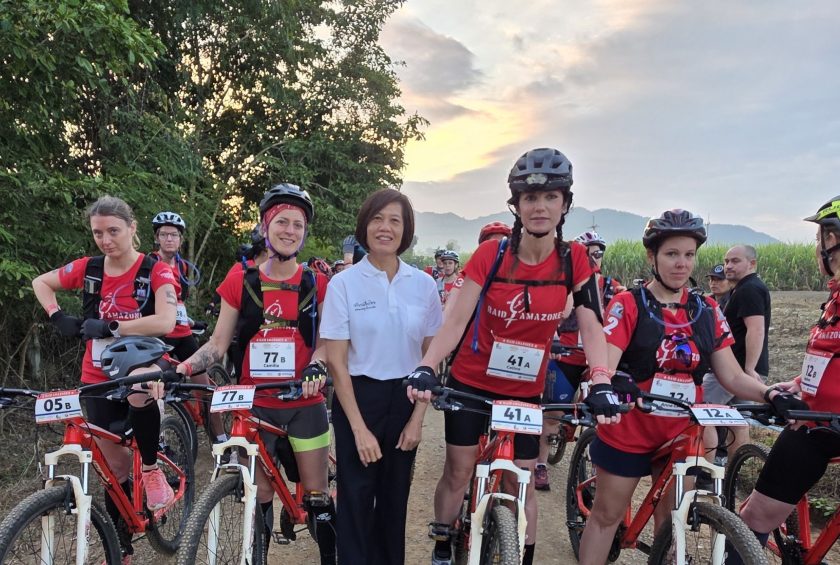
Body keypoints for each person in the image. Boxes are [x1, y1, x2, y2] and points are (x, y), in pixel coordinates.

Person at [407, 147, 615, 565]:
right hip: (471, 381)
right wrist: (427, 367)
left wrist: (601, 379)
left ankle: (522, 554)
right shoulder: (493, 254)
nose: (540, 207)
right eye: (530, 197)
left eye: (551, 197)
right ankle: (444, 539)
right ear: (517, 205)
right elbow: (456, 320)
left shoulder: (574, 260)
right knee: (459, 469)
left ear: (565, 204)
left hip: (524, 391)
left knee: (522, 478)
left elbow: (592, 325)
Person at [576, 209, 790, 565]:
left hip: (681, 432)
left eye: (689, 254)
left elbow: (732, 376)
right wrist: (609, 382)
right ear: (652, 257)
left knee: (671, 524)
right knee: (606, 518)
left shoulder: (706, 309)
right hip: (631, 428)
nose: (681, 263)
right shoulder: (628, 304)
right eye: (672, 254)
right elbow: (605, 365)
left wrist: (769, 394)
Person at [176, 183, 336, 564]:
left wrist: (317, 365)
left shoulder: (318, 283)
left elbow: (327, 344)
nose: (289, 231)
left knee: (317, 498)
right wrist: (181, 367)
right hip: (255, 406)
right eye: (282, 222)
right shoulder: (241, 281)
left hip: (304, 403)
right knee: (258, 495)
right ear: (265, 226)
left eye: (298, 225)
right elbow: (217, 344)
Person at [31, 195, 180, 563]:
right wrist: (57, 316)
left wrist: (113, 326)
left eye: (113, 231)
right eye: (98, 233)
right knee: (114, 469)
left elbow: (166, 321)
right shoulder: (90, 268)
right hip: (97, 372)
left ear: (132, 228)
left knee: (140, 387)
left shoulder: (156, 270)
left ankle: (151, 469)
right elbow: (41, 282)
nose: (105, 240)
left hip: (143, 361)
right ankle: (121, 548)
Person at [320, 188, 442, 565]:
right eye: (377, 219)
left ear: (406, 230)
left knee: (394, 500)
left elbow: (431, 358)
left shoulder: (423, 285)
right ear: (364, 226)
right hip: (357, 398)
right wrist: (359, 429)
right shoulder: (344, 284)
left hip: (406, 400)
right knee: (355, 499)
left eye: (394, 220)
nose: (385, 228)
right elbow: (337, 362)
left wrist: (418, 419)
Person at [733, 196, 840, 562]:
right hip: (815, 423)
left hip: (822, 425)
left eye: (819, 238)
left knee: (755, 518)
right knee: (755, 516)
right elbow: (828, 357)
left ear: (833, 241)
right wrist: (800, 383)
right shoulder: (834, 298)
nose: (816, 248)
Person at [535, 230, 623, 491]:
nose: (595, 258)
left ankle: (598, 468)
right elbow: (554, 314)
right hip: (566, 356)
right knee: (552, 415)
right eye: (589, 254)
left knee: (604, 415)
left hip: (598, 361)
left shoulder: (612, 286)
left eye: (599, 253)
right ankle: (540, 464)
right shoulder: (563, 283)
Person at [149, 212, 227, 448]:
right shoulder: (149, 264)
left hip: (183, 335)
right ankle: (158, 441)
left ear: (180, 239)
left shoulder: (183, 266)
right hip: (159, 336)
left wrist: (191, 322)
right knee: (155, 389)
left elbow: (176, 303)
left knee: (205, 387)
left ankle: (221, 440)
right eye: (164, 234)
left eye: (173, 235)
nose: (169, 239)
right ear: (157, 238)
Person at [721, 244, 772, 459]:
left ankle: (701, 470)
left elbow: (756, 329)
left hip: (735, 370)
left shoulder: (749, 289)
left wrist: (749, 368)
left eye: (735, 261)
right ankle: (734, 470)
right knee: (738, 421)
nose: (728, 266)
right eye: (726, 261)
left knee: (700, 413)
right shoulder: (743, 288)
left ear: (752, 263)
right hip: (739, 368)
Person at [700, 263, 736, 465]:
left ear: (729, 282)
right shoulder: (709, 302)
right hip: (720, 367)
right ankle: (726, 463)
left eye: (719, 279)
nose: (714, 283)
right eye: (711, 279)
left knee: (705, 412)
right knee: (734, 419)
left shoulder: (730, 302)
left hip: (730, 367)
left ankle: (711, 466)